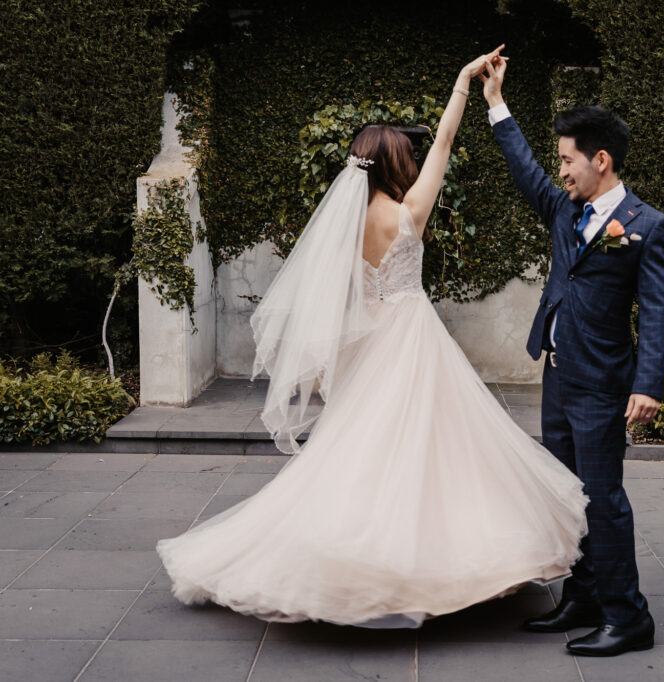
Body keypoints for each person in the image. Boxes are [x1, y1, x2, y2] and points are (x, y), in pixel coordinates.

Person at [156, 46, 588, 629]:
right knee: (433, 451)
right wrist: (463, 85)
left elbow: (340, 301)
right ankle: (421, 562)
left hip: (372, 341)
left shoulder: (348, 224)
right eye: (404, 155)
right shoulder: (408, 213)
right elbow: (443, 145)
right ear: (392, 165)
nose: (414, 159)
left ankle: (353, 555)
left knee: (362, 451)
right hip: (410, 340)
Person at [480, 56, 664, 656]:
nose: (559, 170)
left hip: (603, 385)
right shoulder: (566, 210)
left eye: (567, 159)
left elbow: (660, 309)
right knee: (567, 495)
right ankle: (583, 597)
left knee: (603, 499)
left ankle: (628, 617)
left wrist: (648, 385)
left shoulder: (647, 226)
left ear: (601, 161)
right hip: (559, 378)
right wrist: (495, 103)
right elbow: (524, 171)